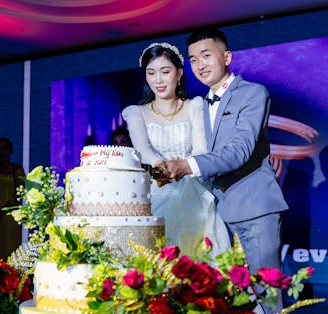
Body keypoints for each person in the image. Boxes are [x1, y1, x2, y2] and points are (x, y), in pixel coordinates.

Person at [165, 27, 289, 274]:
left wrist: (187, 165)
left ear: (227, 57)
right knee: (230, 298)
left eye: (206, 55)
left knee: (265, 294)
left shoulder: (252, 93)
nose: (200, 65)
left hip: (254, 208)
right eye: (193, 60)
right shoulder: (198, 105)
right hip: (216, 214)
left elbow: (239, 151)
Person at [122, 42, 230, 257]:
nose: (158, 80)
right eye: (151, 73)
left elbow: (201, 149)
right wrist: (162, 168)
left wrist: (181, 169)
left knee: (196, 254)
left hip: (192, 187)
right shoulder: (136, 113)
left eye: (165, 71)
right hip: (156, 188)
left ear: (179, 73)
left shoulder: (195, 106)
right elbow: (142, 150)